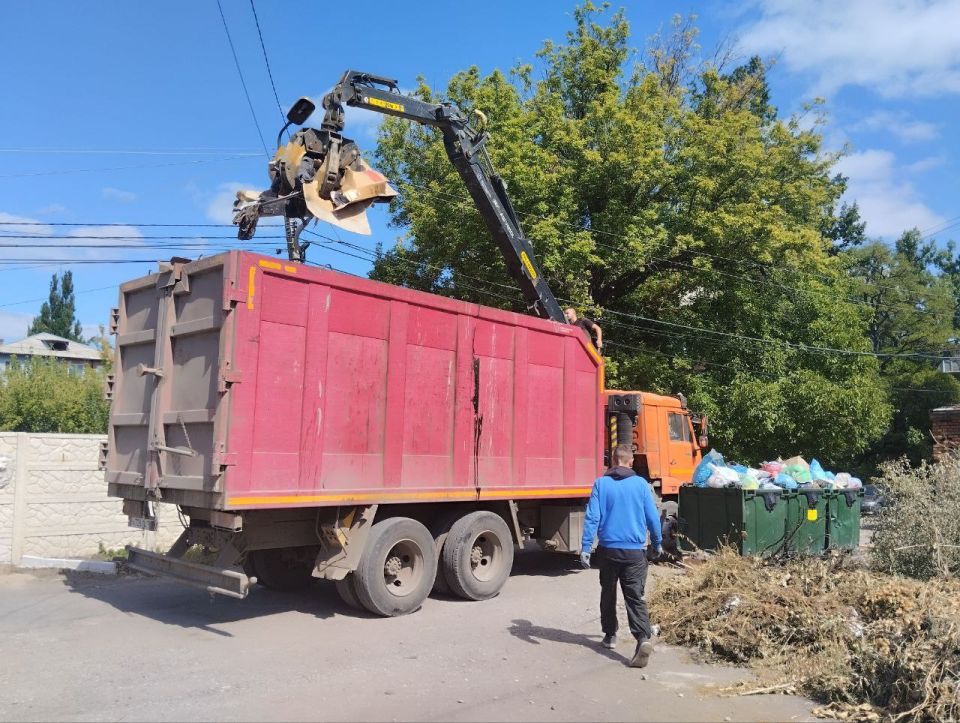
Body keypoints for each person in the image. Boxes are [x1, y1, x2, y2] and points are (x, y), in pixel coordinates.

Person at [579, 444, 663, 668]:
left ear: (613, 460)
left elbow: (592, 517)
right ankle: (643, 638)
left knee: (608, 592)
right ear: (631, 461)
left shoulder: (601, 484)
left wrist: (586, 547)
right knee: (634, 596)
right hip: (635, 552)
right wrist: (657, 543)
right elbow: (653, 518)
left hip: (608, 551)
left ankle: (609, 635)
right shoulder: (641, 485)